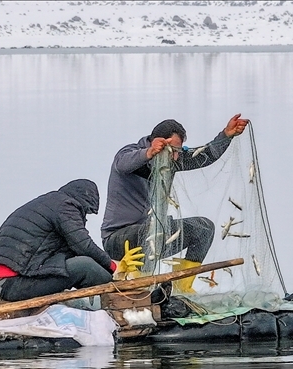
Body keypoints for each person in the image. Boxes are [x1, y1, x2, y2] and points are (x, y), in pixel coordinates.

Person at [101, 115, 249, 291]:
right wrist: (149, 153)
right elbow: (124, 164)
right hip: (118, 238)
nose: (177, 156)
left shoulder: (172, 159)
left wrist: (226, 135)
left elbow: (203, 156)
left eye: (179, 151)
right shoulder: (129, 153)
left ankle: (182, 287)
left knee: (203, 228)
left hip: (154, 232)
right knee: (152, 230)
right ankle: (139, 289)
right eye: (173, 150)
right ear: (157, 142)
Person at [0, 179, 142, 302]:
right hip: (16, 284)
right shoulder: (66, 205)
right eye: (86, 212)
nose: (84, 217)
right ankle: (116, 303)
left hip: (6, 283)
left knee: (82, 264)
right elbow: (82, 245)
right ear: (83, 202)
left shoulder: (49, 203)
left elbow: (70, 250)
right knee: (86, 267)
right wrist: (115, 267)